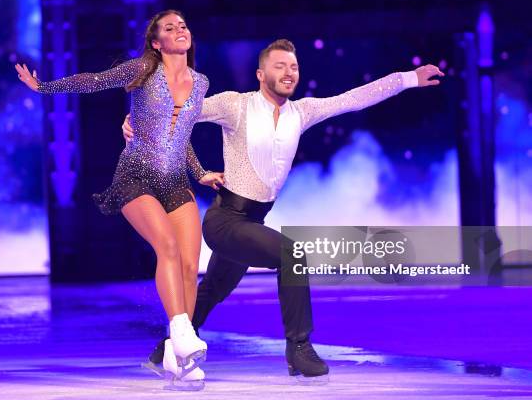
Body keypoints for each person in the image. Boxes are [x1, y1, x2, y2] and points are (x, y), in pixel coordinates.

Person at [123, 39, 444, 379]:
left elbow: (354, 98)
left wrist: (409, 78)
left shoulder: (302, 112)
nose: (289, 73)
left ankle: (168, 348)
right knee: (292, 255)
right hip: (225, 219)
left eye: (293, 67)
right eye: (280, 66)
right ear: (261, 74)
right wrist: (137, 119)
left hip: (252, 221)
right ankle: (299, 348)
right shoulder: (237, 106)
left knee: (213, 290)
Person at [15, 10, 225, 390]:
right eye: (169, 28)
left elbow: (182, 135)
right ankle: (180, 332)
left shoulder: (200, 82)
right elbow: (93, 80)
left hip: (176, 179)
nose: (180, 30)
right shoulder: (144, 69)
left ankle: (175, 356)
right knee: (168, 248)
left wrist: (201, 172)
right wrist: (44, 87)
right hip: (135, 176)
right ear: (157, 43)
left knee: (191, 264)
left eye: (183, 25)